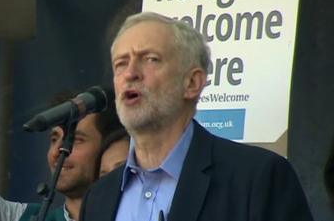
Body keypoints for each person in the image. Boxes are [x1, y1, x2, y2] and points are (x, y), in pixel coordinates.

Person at [79, 12, 314, 221]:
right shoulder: (99, 197)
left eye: (150, 59)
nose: (130, 74)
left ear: (192, 83)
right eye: (121, 64)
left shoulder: (257, 178)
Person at [0, 88, 123, 221]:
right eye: (54, 139)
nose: (59, 150)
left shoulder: (141, 213)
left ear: (110, 148)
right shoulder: (25, 218)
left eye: (76, 139)